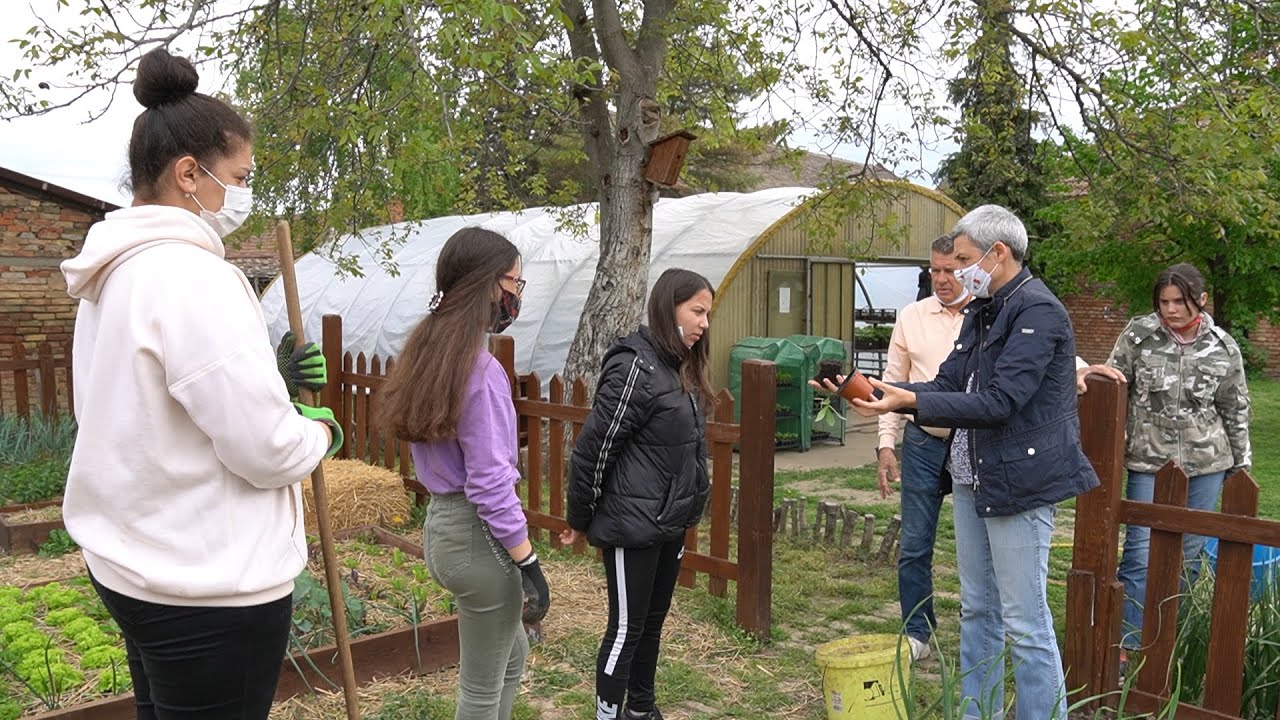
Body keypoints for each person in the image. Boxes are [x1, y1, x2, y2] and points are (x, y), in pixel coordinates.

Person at [59, 47, 343, 719]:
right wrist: (317, 432)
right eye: (238, 176)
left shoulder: (111, 275)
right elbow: (265, 449)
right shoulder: (194, 276)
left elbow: (144, 407)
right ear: (189, 174)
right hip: (208, 586)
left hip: (135, 566)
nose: (244, 194)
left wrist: (269, 380)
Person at [829, 205, 1099, 720]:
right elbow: (950, 384)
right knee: (978, 609)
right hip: (975, 476)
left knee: (1025, 620)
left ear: (998, 255)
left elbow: (1001, 402)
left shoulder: (1038, 311)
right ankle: (981, 711)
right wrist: (889, 392)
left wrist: (908, 403)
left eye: (964, 260)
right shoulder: (985, 310)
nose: (955, 272)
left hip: (1020, 479)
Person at [378, 227, 549, 720]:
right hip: (478, 538)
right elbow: (491, 483)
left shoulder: (428, 352)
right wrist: (529, 562)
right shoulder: (481, 370)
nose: (516, 294)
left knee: (511, 655)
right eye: (515, 282)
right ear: (490, 285)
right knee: (479, 689)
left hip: (443, 531)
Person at [563, 268, 714, 720]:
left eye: (709, 313)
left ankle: (642, 711)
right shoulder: (636, 364)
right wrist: (580, 518)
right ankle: (608, 714)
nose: (705, 323)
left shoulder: (677, 366)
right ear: (670, 309)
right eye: (698, 311)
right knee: (627, 628)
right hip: (632, 527)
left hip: (668, 521)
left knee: (651, 624)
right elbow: (595, 447)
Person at [1096, 263, 1251, 670]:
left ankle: (1167, 640)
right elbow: (1114, 387)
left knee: (1189, 553)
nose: (1171, 310)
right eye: (1163, 302)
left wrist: (1242, 462)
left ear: (1199, 299)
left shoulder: (1223, 345)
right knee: (1140, 551)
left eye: (1179, 302)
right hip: (1149, 458)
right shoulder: (1138, 335)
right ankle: (1128, 645)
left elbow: (1235, 406)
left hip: (1206, 462)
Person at [876, 233, 972, 662]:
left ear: (969, 268)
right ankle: (918, 632)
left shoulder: (988, 315)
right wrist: (885, 445)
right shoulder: (911, 317)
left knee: (978, 545)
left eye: (950, 270)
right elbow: (891, 383)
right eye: (935, 270)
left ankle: (979, 628)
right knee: (915, 543)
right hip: (923, 443)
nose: (942, 278)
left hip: (974, 443)